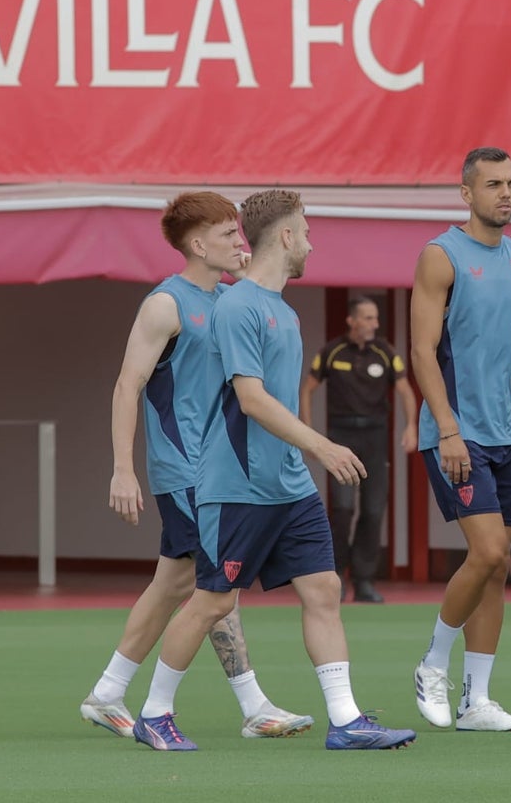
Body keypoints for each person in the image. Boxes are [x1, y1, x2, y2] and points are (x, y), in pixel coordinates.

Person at [130, 189, 416, 751]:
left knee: (324, 589)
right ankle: (154, 714)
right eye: (305, 231)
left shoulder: (282, 310)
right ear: (285, 237)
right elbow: (251, 398)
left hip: (288, 487)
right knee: (212, 599)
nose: (311, 243)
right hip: (236, 487)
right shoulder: (238, 306)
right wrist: (324, 447)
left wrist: (305, 459)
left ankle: (346, 720)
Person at [81, 191, 311, 741]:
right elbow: (126, 385)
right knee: (213, 588)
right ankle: (252, 705)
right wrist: (122, 469)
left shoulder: (236, 299)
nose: (240, 242)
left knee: (175, 585)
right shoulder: (165, 305)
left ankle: (108, 693)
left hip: (219, 471)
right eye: (229, 235)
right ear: (197, 244)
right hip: (185, 471)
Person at [409, 147, 511, 733]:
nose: (507, 194)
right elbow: (421, 351)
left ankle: (477, 702)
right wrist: (447, 429)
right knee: (488, 551)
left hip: (506, 436)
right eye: (494, 184)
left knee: (498, 567)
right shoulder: (440, 257)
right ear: (466, 194)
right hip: (456, 434)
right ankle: (432, 663)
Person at [300, 297, 418, 603]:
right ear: (352, 321)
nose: (374, 324)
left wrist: (411, 426)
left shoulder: (386, 352)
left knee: (374, 509)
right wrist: (308, 431)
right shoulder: (332, 351)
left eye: (376, 318)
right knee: (342, 509)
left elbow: (406, 390)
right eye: (368, 318)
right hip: (342, 436)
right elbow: (307, 389)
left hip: (376, 438)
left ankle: (364, 580)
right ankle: (336, 575)